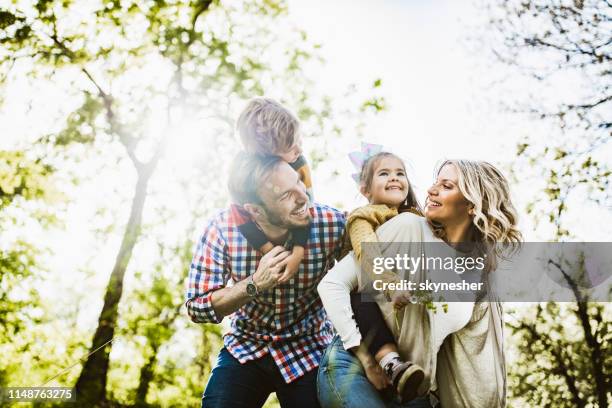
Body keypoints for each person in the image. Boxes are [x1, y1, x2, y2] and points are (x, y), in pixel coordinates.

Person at [317, 160, 522, 408]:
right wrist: (368, 361)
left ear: (472, 205)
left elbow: (472, 359)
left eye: (446, 186)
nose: (431, 190)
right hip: (358, 362)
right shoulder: (408, 227)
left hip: (412, 386)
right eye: (436, 183)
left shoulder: (478, 276)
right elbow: (333, 284)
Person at [186, 152, 345, 408]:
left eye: (298, 182)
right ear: (254, 210)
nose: (303, 196)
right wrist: (254, 284)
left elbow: (372, 274)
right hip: (245, 346)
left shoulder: (331, 224)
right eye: (285, 195)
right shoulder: (222, 229)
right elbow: (196, 306)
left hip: (309, 347)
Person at [340, 147, 426, 402]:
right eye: (384, 173)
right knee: (361, 299)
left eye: (400, 173)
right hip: (374, 290)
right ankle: (390, 362)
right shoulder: (363, 217)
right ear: (365, 189)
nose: (394, 178)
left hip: (409, 300)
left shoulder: (416, 217)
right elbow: (368, 253)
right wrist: (391, 284)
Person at [231, 97, 313, 280]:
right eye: (291, 147)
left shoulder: (299, 163)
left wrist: (298, 252)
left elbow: (307, 207)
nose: (299, 149)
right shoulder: (242, 176)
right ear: (266, 155)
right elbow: (240, 217)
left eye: (299, 140)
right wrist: (272, 252)